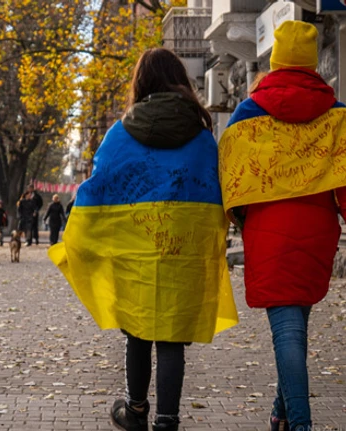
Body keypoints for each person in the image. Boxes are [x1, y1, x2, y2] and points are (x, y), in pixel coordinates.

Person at [48, 48, 238, 431]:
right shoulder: (203, 138)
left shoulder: (120, 135)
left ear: (142, 82)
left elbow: (97, 188)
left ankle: (135, 411)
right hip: (182, 253)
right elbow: (217, 194)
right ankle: (167, 419)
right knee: (172, 336)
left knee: (138, 330)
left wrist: (77, 236)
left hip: (135, 254)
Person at [218, 21, 346, 431]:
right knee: (296, 328)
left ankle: (300, 423)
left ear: (274, 62)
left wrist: (241, 221)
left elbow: (228, 176)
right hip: (316, 235)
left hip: (267, 234)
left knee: (288, 332)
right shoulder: (336, 116)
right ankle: (281, 413)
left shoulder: (246, 115)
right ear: (313, 65)